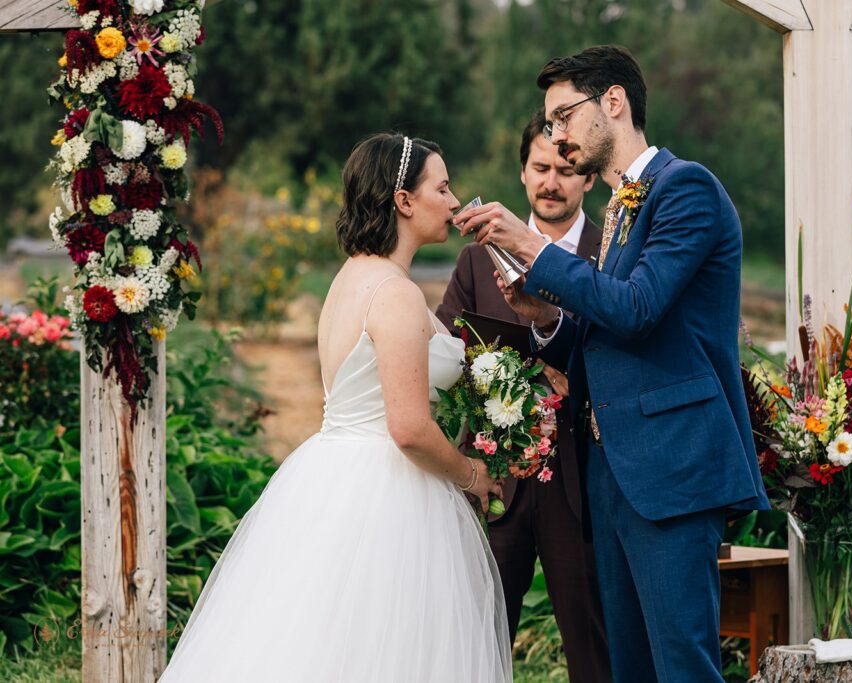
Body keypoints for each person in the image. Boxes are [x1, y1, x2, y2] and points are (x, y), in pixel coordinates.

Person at [453, 45, 770, 682]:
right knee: (628, 669)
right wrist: (545, 317)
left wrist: (529, 245)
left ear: (615, 102)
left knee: (681, 668)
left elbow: (639, 307)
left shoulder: (686, 188)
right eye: (548, 123)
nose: (556, 135)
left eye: (563, 115)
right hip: (614, 475)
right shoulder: (622, 207)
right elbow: (607, 337)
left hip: (672, 467)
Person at [160, 133, 512, 682]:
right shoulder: (393, 294)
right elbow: (410, 427)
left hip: (330, 473)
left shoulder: (352, 279)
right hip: (391, 493)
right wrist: (471, 475)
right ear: (403, 200)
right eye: (441, 188)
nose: (453, 201)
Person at [436, 108, 611, 683]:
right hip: (496, 482)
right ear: (522, 174)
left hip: (583, 481)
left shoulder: (609, 257)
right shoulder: (473, 260)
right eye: (539, 168)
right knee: (480, 641)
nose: (551, 182)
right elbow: (445, 360)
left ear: (587, 177)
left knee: (594, 647)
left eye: (565, 169)